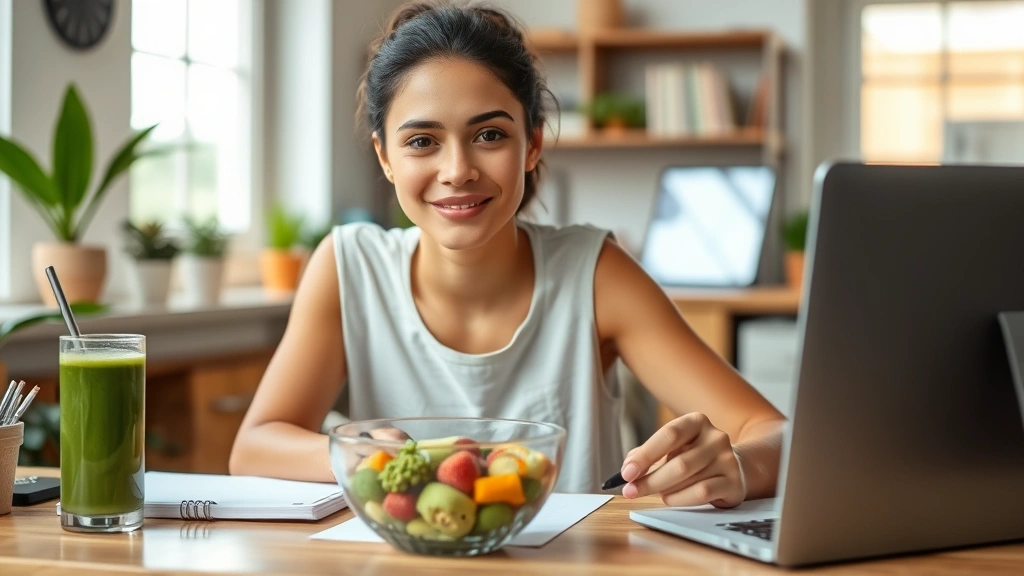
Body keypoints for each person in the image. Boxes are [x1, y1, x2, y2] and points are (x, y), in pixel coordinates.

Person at [230, 2, 785, 506]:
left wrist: (735, 464)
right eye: (422, 141)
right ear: (385, 158)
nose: (457, 171)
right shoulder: (349, 265)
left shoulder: (593, 274)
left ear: (533, 143)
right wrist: (357, 455)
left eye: (489, 135)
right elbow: (253, 447)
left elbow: (776, 432)